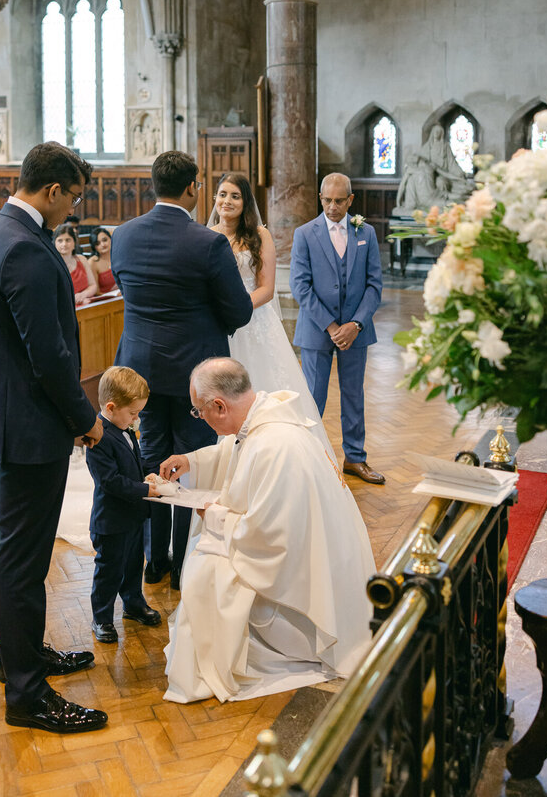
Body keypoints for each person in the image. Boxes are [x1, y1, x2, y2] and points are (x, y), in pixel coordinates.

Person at [0, 140, 108, 735]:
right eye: (72, 197)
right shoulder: (24, 248)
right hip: (31, 429)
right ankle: (27, 695)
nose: (73, 209)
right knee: (23, 562)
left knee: (13, 553)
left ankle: (21, 658)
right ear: (51, 190)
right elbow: (48, 355)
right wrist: (85, 417)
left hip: (12, 421)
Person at [160, 358, 375, 703]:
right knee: (206, 557)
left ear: (219, 405)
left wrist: (211, 514)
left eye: (199, 412)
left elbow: (268, 537)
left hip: (305, 604)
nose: (200, 418)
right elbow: (238, 447)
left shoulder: (275, 446)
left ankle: (219, 658)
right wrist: (193, 461)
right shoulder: (267, 417)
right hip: (321, 572)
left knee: (206, 573)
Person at [110, 151, 253, 588]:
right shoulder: (206, 243)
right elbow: (240, 309)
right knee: (189, 463)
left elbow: (127, 290)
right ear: (193, 187)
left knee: (152, 459)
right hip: (196, 371)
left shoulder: (124, 235)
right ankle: (183, 564)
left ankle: (155, 561)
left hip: (142, 371)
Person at [207, 173, 335, 454]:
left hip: (254, 323)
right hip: (219, 328)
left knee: (263, 390)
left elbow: (266, 289)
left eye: (235, 196)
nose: (227, 201)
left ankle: (279, 457)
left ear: (245, 202)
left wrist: (236, 310)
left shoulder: (259, 235)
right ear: (215, 198)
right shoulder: (208, 236)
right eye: (222, 194)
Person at [290, 173, 385, 484]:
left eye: (339, 201)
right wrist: (332, 327)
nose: (332, 207)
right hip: (318, 330)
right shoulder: (305, 234)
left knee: (353, 395)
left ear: (350, 200)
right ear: (321, 198)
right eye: (327, 200)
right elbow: (300, 286)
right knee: (313, 397)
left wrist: (356, 324)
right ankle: (311, 458)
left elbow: (374, 285)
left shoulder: (366, 233)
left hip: (356, 331)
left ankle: (355, 458)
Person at [86, 366, 161, 643]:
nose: (136, 419)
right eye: (133, 413)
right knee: (109, 570)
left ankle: (133, 603)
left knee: (133, 564)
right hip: (112, 520)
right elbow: (110, 481)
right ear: (111, 407)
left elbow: (133, 462)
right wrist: (145, 489)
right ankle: (102, 618)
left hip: (133, 517)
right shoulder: (98, 436)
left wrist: (148, 472)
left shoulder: (124, 428)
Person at [53, 222, 97, 305]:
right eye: (60, 240)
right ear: (55, 243)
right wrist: (76, 300)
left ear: (74, 243)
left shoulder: (82, 259)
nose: (64, 244)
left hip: (86, 303)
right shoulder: (52, 264)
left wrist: (83, 295)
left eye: (68, 240)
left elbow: (93, 285)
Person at [87, 226, 118, 294]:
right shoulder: (92, 263)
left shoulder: (118, 254)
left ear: (110, 239)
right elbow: (96, 292)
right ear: (94, 246)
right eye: (98, 243)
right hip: (105, 301)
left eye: (105, 240)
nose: (103, 244)